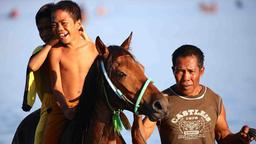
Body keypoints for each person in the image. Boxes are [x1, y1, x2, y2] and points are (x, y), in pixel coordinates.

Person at [132, 45, 255, 144]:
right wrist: (137, 113)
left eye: (191, 71)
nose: (186, 77)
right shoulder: (162, 101)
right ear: (173, 70)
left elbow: (223, 137)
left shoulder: (213, 99)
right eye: (180, 71)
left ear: (201, 71)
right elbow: (140, 139)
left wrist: (240, 138)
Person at [43, 1, 98, 143]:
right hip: (62, 109)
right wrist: (66, 109)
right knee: (49, 140)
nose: (59, 29)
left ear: (78, 24)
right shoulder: (56, 52)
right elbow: (56, 87)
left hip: (90, 105)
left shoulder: (92, 49)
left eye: (64, 23)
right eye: (55, 25)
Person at [22, 3, 58, 144]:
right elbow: (33, 65)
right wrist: (50, 45)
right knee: (41, 134)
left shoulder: (71, 48)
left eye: (48, 28)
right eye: (40, 30)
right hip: (50, 105)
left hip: (74, 100)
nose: (44, 34)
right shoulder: (41, 51)